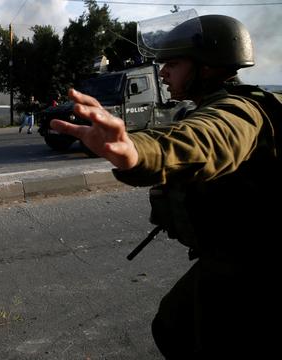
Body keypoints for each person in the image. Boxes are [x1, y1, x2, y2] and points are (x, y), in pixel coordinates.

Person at [51, 14, 280, 358]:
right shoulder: (210, 104)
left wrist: (135, 153)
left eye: (172, 63)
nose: (162, 73)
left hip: (256, 266)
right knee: (174, 326)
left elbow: (205, 140)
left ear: (206, 67)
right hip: (230, 256)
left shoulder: (240, 111)